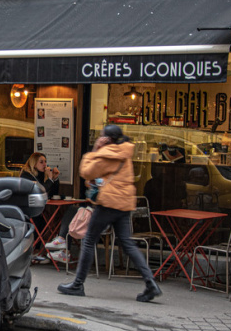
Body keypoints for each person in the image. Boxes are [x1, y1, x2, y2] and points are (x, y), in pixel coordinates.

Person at [58, 125, 162, 303]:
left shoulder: (108, 153)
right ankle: (150, 282)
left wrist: (95, 149)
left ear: (107, 139)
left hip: (108, 203)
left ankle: (77, 284)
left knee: (89, 239)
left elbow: (86, 171)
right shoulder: (124, 151)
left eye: (102, 136)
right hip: (124, 203)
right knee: (127, 244)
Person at [21, 153, 61, 262]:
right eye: (41, 162)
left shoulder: (40, 174)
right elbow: (40, 189)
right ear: (34, 163)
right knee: (39, 224)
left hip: (37, 207)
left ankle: (37, 250)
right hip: (27, 208)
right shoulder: (26, 175)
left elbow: (53, 193)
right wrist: (50, 180)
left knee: (45, 223)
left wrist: (55, 179)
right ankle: (33, 251)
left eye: (45, 162)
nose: (45, 164)